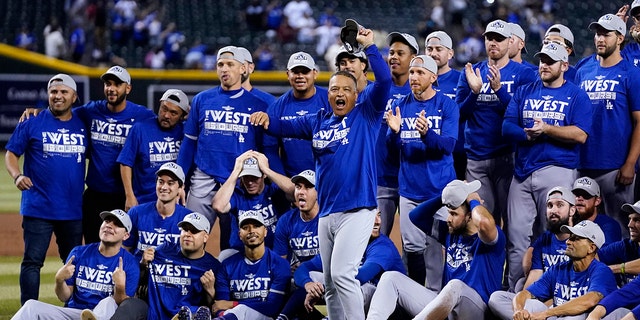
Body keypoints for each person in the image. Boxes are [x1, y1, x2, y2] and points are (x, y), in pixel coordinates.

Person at [250, 22, 391, 320]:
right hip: (327, 214)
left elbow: (386, 80)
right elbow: (282, 125)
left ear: (355, 95)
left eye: (346, 90)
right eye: (335, 89)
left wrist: (370, 46)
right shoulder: (319, 120)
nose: (340, 94)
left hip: (357, 209)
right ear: (328, 94)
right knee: (329, 283)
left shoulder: (366, 115)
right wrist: (266, 118)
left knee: (342, 275)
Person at [503, 42, 592, 289]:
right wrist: (526, 134)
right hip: (521, 173)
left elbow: (581, 134)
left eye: (550, 61)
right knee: (517, 238)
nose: (544, 65)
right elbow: (506, 126)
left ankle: (552, 294)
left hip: (557, 169)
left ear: (564, 65)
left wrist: (547, 129)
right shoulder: (524, 90)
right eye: (542, 60)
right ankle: (514, 294)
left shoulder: (576, 95)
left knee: (555, 236)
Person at [177, 45, 279, 240]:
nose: (224, 69)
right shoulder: (202, 99)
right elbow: (189, 143)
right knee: (190, 234)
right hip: (203, 177)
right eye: (220, 64)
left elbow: (267, 148)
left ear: (243, 69)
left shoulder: (260, 105)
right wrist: (180, 179)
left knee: (232, 240)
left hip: (238, 181)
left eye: (230, 64)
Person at [366, 179, 506, 319]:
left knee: (455, 286)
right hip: (447, 309)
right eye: (449, 212)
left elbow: (483, 223)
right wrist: (446, 196)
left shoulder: (491, 240)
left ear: (470, 216)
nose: (448, 219)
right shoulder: (450, 233)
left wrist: (472, 200)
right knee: (390, 278)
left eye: (454, 214)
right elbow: (416, 217)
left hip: (477, 312)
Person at [5, 74, 87, 305]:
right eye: (53, 92)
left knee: (73, 264)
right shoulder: (32, 121)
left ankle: (74, 308)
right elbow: (11, 153)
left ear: (74, 96)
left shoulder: (83, 123)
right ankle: (27, 311)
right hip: (38, 207)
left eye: (63, 92)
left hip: (72, 210)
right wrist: (17, 175)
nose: (58, 96)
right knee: (32, 262)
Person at [455, 19, 537, 231]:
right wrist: (474, 93)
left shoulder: (524, 74)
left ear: (510, 41)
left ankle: (512, 266)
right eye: (489, 38)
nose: (493, 42)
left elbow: (523, 116)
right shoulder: (472, 72)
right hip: (476, 158)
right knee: (482, 222)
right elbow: (459, 114)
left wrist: (499, 89)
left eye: (499, 39)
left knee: (511, 223)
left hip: (508, 157)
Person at [385, 54, 458, 289]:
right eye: (412, 73)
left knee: (438, 248)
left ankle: (438, 302)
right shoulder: (401, 105)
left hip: (439, 192)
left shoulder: (447, 105)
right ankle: (414, 300)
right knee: (413, 249)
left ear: (433, 77)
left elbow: (448, 145)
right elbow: (392, 149)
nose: (414, 77)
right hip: (410, 191)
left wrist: (428, 134)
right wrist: (394, 133)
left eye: (420, 73)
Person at [577, 13, 640, 238]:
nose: (600, 39)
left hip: (615, 167)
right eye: (597, 34)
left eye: (606, 34)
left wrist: (630, 163)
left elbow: (639, 121)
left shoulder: (632, 74)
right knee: (583, 231)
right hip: (583, 164)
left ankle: (622, 274)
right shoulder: (583, 70)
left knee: (622, 231)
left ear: (620, 38)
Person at [11, 210, 140, 320]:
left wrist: (120, 287)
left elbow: (122, 306)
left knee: (108, 302)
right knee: (31, 306)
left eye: (117, 224)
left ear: (126, 235)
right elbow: (64, 297)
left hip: (103, 315)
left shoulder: (130, 263)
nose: (109, 226)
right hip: (74, 313)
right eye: (107, 221)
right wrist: (59, 280)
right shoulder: (79, 252)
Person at [279, 211, 405, 319]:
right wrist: (309, 285)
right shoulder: (347, 242)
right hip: (360, 303)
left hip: (390, 309)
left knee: (354, 286)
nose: (377, 221)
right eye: (372, 216)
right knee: (312, 277)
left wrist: (322, 289)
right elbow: (304, 268)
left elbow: (360, 277)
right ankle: (283, 317)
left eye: (379, 215)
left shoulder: (382, 246)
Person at [81, 66, 156, 244]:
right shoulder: (91, 110)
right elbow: (63, 115)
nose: (111, 88)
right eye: (108, 84)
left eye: (117, 84)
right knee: (93, 245)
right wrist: (39, 113)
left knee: (126, 248)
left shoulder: (143, 115)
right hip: (95, 194)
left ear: (127, 88)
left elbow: (167, 127)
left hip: (126, 195)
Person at [489, 220, 617, 320]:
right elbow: (526, 294)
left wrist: (546, 313)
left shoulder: (601, 271)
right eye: (570, 237)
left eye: (575, 239)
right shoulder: (558, 269)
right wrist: (518, 311)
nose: (568, 242)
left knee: (576, 316)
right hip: (553, 316)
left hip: (575, 317)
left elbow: (589, 301)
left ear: (591, 248)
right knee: (497, 297)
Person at [104, 212, 221, 320]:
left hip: (185, 314)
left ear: (205, 237)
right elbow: (140, 278)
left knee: (199, 313)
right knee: (130, 305)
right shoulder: (164, 250)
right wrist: (143, 264)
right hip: (152, 313)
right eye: (185, 230)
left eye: (194, 231)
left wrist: (210, 291)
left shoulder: (213, 266)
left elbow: (215, 307)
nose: (188, 234)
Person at [117, 89, 189, 209]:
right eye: (164, 109)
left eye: (173, 113)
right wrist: (129, 196)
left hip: (176, 203)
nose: (166, 115)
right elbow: (125, 163)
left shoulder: (187, 132)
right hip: (143, 201)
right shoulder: (140, 129)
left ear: (182, 116)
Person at [212, 151, 294, 256]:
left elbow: (295, 191)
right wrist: (236, 171)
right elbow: (218, 206)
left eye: (255, 177)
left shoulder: (274, 191)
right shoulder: (238, 195)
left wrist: (266, 170)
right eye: (246, 177)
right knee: (225, 255)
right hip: (243, 253)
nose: (250, 182)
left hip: (275, 252)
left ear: (263, 175)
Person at [376, 32, 418, 237]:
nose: (393, 57)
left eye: (401, 53)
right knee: (377, 237)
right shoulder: (378, 89)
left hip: (413, 178)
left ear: (413, 57)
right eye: (391, 52)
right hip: (383, 176)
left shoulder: (423, 91)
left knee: (415, 243)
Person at [212, 211, 290, 319]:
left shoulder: (280, 264)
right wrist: (223, 314)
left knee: (241, 310)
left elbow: (273, 307)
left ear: (265, 232)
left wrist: (234, 305)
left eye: (256, 226)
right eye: (245, 227)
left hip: (267, 317)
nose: (251, 231)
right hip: (233, 317)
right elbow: (219, 305)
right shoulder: (227, 265)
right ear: (239, 234)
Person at [267, 52, 329, 177]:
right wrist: (283, 184)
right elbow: (270, 149)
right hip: (292, 182)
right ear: (288, 74)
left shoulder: (330, 100)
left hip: (327, 181)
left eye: (305, 72)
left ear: (315, 73)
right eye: (295, 72)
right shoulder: (276, 107)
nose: (300, 76)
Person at [122, 162, 192, 260]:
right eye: (161, 182)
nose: (164, 187)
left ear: (181, 188)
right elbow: (125, 249)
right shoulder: (136, 213)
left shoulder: (189, 219)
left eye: (170, 183)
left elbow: (193, 258)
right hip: (140, 271)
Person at [426, 31, 464, 180]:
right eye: (429, 49)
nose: (433, 53)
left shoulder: (462, 79)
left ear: (450, 53)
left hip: (457, 151)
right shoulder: (417, 81)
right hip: (426, 151)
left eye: (438, 49)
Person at [520, 187, 575, 291]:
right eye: (550, 205)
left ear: (572, 210)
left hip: (568, 296)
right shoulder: (544, 239)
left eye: (560, 205)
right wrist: (522, 301)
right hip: (545, 292)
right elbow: (536, 273)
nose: (553, 210)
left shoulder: (581, 240)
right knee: (498, 297)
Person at [273, 170, 320, 267]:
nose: (301, 192)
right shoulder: (285, 221)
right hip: (299, 277)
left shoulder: (328, 218)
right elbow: (279, 264)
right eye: (298, 187)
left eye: (308, 187)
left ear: (318, 192)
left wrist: (305, 267)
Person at [597, 200, 640, 286]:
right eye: (630, 219)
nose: (630, 225)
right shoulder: (625, 246)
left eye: (637, 220)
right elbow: (593, 257)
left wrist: (615, 269)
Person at [572, 176, 623, 243]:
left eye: (586, 195)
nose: (580, 199)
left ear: (597, 201)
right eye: (577, 195)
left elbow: (606, 253)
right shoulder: (567, 222)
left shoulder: (609, 226)